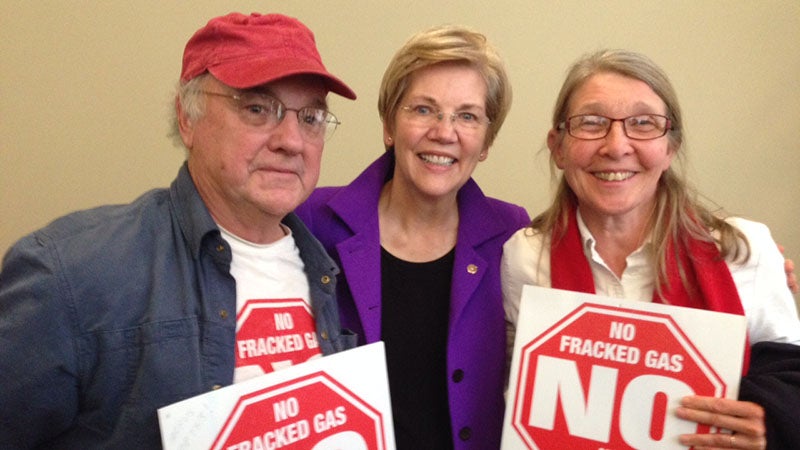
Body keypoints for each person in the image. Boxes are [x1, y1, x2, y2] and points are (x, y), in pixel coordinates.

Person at [0, 12, 357, 449]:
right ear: (188, 119)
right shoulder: (69, 274)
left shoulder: (332, 267)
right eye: (258, 108)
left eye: (312, 117)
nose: (292, 140)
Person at [502, 49, 800, 449]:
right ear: (558, 147)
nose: (616, 145)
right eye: (591, 123)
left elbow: (791, 375)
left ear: (670, 147)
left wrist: (772, 419)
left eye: (643, 124)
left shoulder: (744, 250)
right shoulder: (521, 258)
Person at [296, 25, 529, 449]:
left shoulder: (513, 235)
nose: (444, 131)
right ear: (389, 125)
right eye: (423, 109)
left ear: (486, 141)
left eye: (467, 116)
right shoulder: (311, 221)